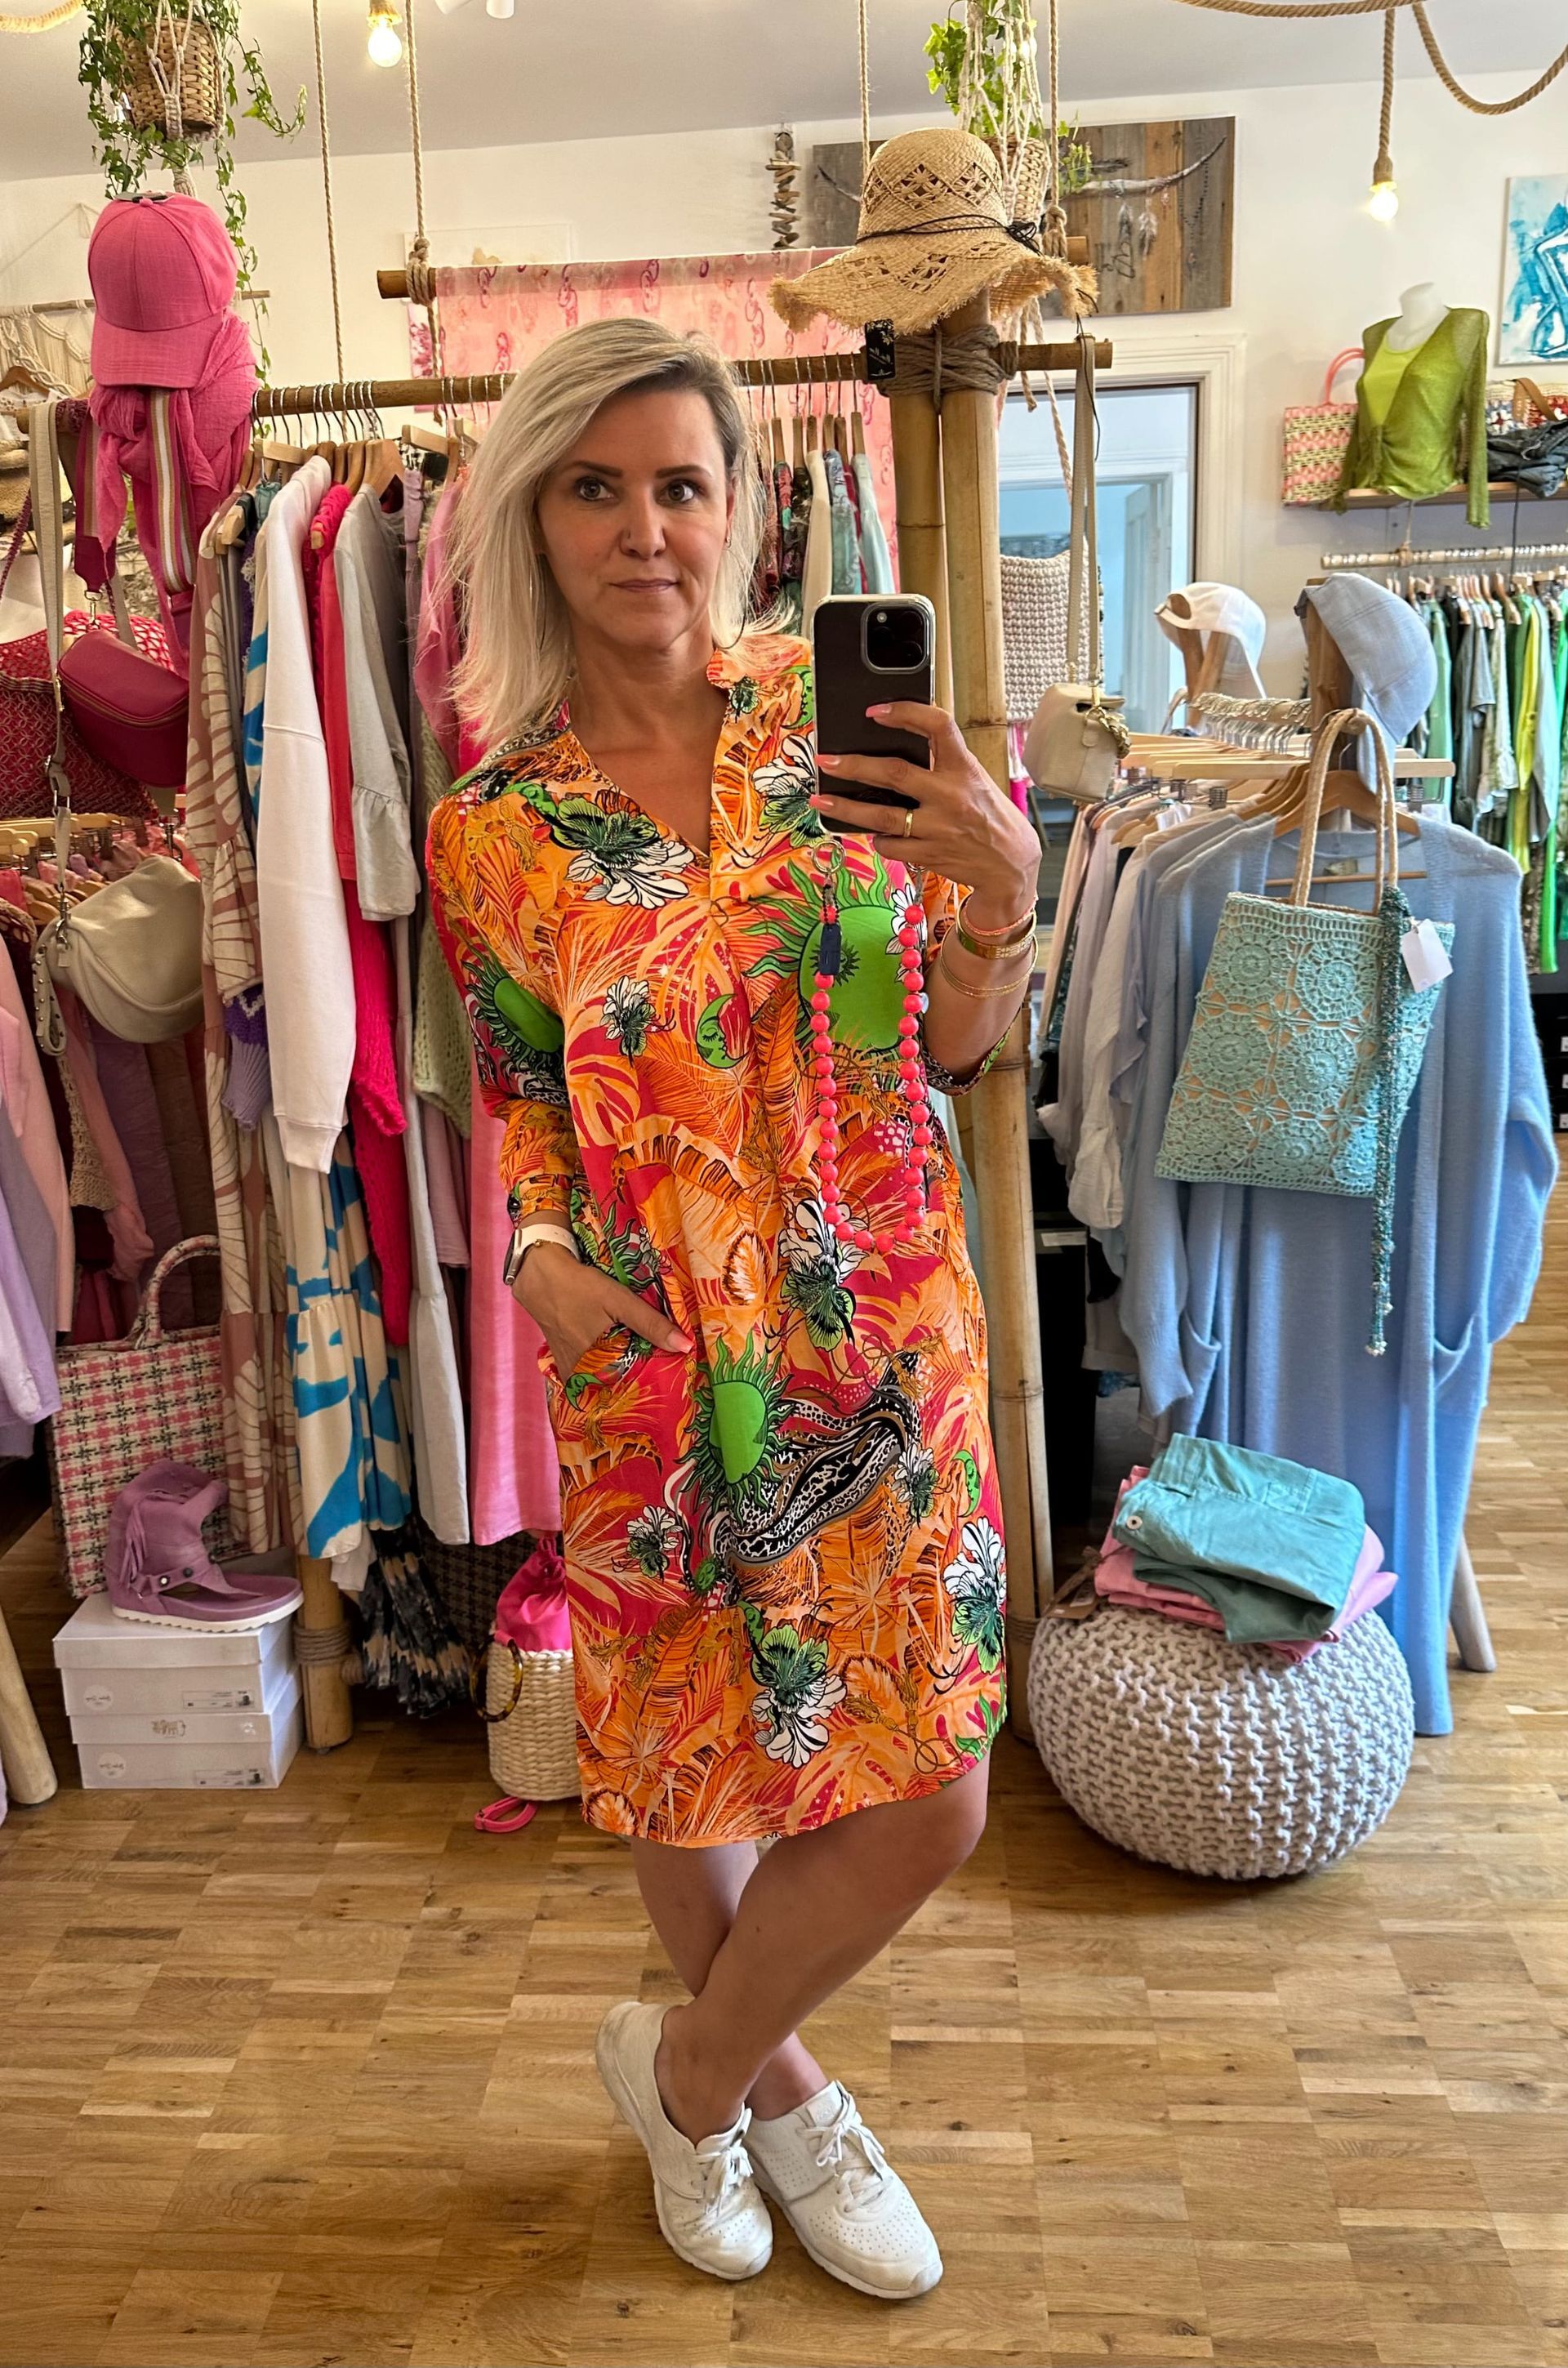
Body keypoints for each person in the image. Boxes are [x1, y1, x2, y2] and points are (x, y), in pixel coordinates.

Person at [428, 317, 1040, 2303]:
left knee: (933, 1787)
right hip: (655, 1354)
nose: (643, 528)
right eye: (595, 487)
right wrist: (536, 1254)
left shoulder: (842, 734)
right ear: (531, 521)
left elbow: (953, 1042)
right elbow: (520, 1090)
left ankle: (684, 2076)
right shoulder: (493, 828)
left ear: (741, 510)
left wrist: (1002, 893)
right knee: (689, 1760)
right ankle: (786, 2097)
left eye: (680, 485)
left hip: (885, 1337)